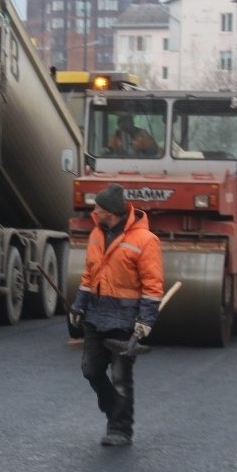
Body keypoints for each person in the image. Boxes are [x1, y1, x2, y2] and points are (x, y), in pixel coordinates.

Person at [69, 183, 164, 447]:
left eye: (98, 207)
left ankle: (120, 430)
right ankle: (113, 406)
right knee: (90, 370)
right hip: (96, 315)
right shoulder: (96, 235)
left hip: (125, 320)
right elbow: (89, 275)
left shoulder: (146, 241)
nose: (94, 211)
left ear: (109, 212)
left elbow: (153, 285)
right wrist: (78, 305)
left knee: (121, 378)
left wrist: (146, 320)